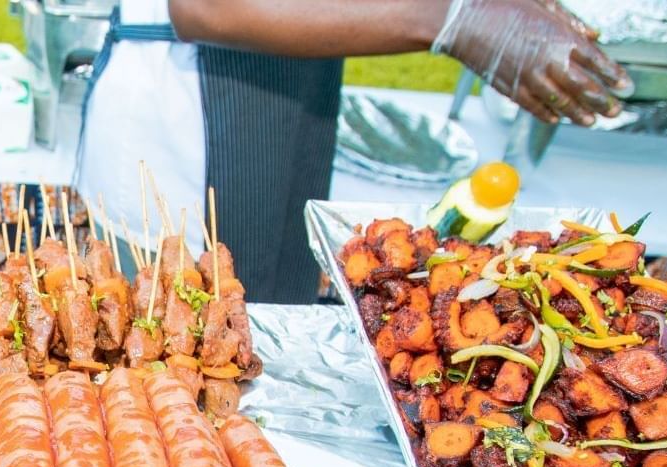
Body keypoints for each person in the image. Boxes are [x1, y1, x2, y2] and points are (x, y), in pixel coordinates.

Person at [76, 0, 633, 303]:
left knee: (266, 310)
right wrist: (455, 18)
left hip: (287, 108)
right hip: (184, 122)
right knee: (169, 365)